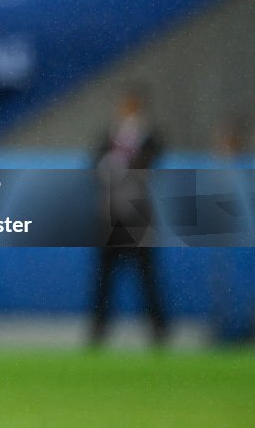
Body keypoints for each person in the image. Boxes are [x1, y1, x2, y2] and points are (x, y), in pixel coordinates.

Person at [90, 85, 168, 347]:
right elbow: (94, 163)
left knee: (146, 277)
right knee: (104, 279)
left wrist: (125, 163)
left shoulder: (149, 137)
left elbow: (151, 160)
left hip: (137, 215)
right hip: (112, 216)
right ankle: (98, 331)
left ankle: (158, 331)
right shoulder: (110, 135)